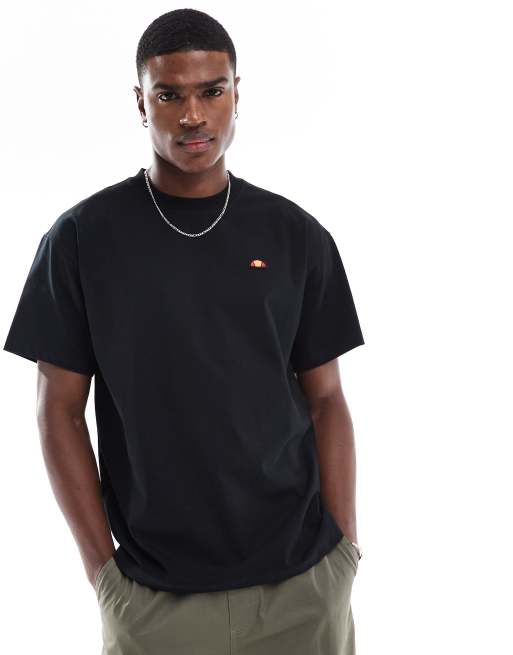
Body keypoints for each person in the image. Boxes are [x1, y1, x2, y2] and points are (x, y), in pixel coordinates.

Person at [3, 8, 365, 655]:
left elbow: (327, 398)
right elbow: (57, 411)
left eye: (211, 91)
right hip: (154, 601)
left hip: (302, 589)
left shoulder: (296, 235)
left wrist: (344, 550)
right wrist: (104, 575)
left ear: (236, 94)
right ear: (140, 103)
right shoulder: (82, 240)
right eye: (169, 95)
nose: (192, 115)